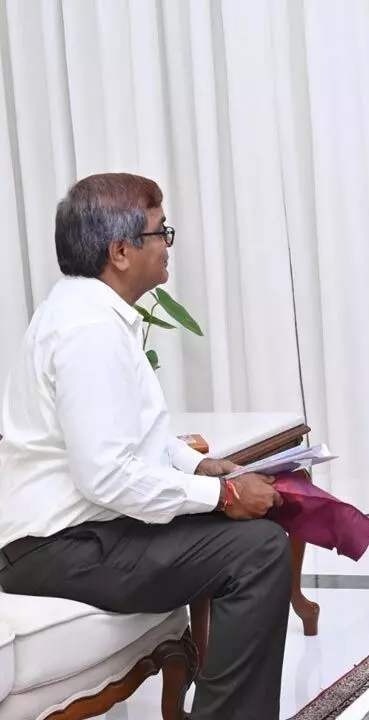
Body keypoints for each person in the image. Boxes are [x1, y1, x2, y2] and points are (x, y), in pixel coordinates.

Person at [0, 173, 291, 718]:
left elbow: (138, 439)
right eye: (162, 233)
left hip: (84, 532)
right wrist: (224, 496)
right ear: (120, 251)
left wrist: (201, 465)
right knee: (258, 551)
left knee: (251, 533)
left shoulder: (92, 314)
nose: (167, 245)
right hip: (59, 549)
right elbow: (108, 476)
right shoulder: (88, 330)